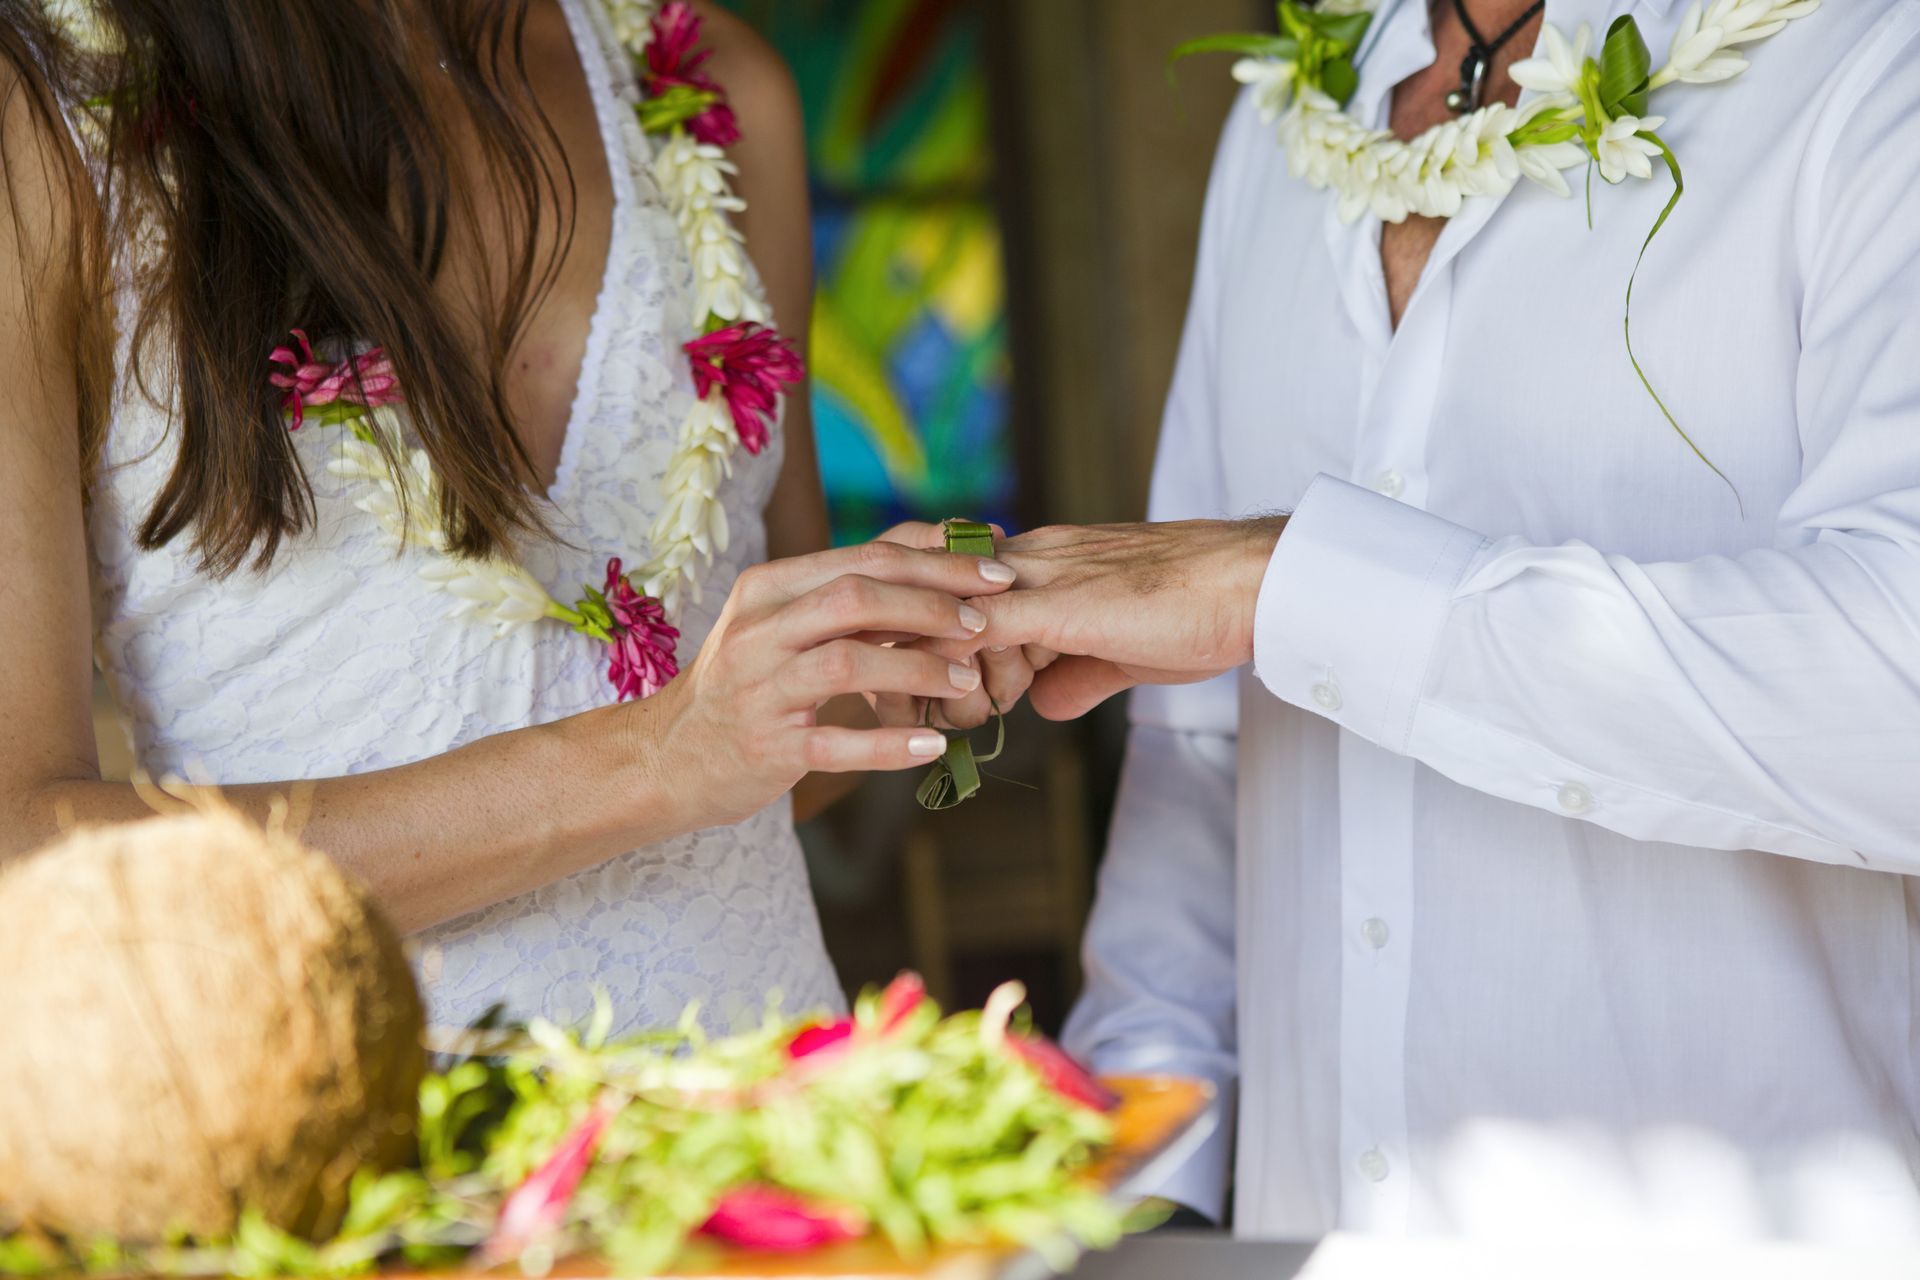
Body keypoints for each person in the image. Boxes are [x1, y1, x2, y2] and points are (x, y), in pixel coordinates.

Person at [973, 0, 1920, 1244]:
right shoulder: (1279, 121)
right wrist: (1136, 1188)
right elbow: (1196, 739)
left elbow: (1895, 701)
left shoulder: (1865, 62)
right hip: (1303, 1234)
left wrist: (1290, 586)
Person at [0, 0, 1019, 1033]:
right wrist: (651, 757)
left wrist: (944, 642)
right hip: (357, 1152)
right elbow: (19, 860)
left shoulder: (710, 81)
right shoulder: (43, 117)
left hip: (768, 1133)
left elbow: (778, 745)